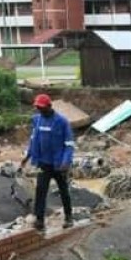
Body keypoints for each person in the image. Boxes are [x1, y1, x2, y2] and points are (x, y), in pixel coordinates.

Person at [23, 94, 74, 232]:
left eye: (42, 108)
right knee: (40, 190)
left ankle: (68, 217)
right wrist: (27, 156)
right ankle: (39, 220)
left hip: (59, 165)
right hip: (43, 163)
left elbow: (69, 144)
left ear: (50, 106)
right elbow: (34, 140)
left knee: (64, 191)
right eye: (38, 108)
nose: (40, 110)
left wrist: (66, 162)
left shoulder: (62, 122)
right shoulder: (37, 120)